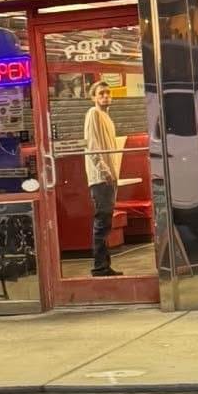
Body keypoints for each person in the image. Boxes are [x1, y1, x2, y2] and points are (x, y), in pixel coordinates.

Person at [83, 78, 123, 275]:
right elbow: (91, 145)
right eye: (101, 94)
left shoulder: (107, 117)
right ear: (93, 97)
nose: (106, 96)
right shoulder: (93, 113)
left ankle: (104, 265)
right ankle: (100, 267)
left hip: (109, 177)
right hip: (101, 178)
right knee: (102, 223)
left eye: (108, 93)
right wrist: (104, 170)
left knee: (105, 223)